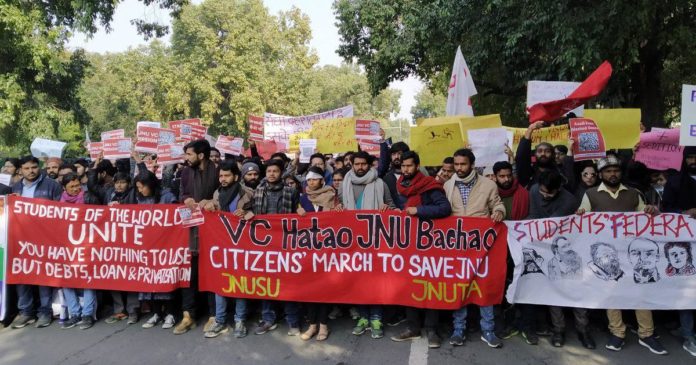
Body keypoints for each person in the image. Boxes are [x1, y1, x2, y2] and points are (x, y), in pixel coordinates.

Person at [577, 156, 666, 355]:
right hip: (608, 257)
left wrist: (651, 211)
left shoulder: (634, 194)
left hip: (633, 255)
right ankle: (617, 332)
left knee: (640, 293)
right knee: (612, 294)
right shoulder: (590, 194)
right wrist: (581, 216)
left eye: (616, 170)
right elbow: (582, 222)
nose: (612, 174)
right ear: (601, 175)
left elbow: (646, 219)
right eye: (608, 171)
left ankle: (647, 334)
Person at [443, 148, 505, 348]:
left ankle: (488, 330)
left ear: (472, 164)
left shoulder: (488, 185)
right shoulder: (447, 185)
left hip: (482, 246)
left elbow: (498, 204)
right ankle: (458, 330)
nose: (459, 168)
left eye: (463, 164)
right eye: (456, 164)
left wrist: (498, 212)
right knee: (459, 288)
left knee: (483, 286)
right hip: (457, 245)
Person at [390, 151, 451, 348]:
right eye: (403, 166)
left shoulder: (429, 186)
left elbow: (444, 209)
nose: (405, 169)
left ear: (417, 166)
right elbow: (402, 209)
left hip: (429, 243)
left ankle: (432, 330)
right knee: (409, 285)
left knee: (429, 284)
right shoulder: (400, 186)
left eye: (409, 166)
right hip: (407, 243)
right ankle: (413, 328)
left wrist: (419, 211)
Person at [528, 169, 594, 349]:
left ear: (558, 189)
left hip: (568, 250)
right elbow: (533, 215)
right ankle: (559, 329)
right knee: (553, 292)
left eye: (549, 193)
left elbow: (552, 224)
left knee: (576, 291)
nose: (544, 195)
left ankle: (583, 329)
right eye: (542, 191)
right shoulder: (534, 190)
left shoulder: (569, 201)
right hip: (545, 250)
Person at [336, 151, 396, 339]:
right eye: (357, 164)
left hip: (376, 242)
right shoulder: (344, 184)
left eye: (364, 164)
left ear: (370, 165)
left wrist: (387, 209)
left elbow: (393, 207)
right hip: (352, 243)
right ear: (352, 165)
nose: (360, 167)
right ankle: (363, 317)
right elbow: (339, 207)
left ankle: (376, 318)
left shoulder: (380, 184)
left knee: (374, 281)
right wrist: (338, 209)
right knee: (358, 281)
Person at [200, 161, 254, 338]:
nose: (223, 179)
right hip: (221, 247)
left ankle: (240, 320)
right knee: (220, 283)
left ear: (236, 177)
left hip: (242, 246)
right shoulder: (216, 194)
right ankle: (220, 320)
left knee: (240, 284)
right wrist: (207, 205)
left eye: (227, 175)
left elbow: (260, 216)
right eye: (221, 176)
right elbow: (211, 213)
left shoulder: (248, 193)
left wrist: (248, 214)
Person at [10, 156, 63, 329]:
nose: (31, 171)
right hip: (21, 240)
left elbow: (62, 212)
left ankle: (45, 312)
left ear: (39, 167)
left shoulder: (52, 186)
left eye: (34, 167)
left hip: (45, 239)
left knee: (43, 275)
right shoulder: (15, 187)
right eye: (26, 168)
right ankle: (26, 312)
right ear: (20, 170)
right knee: (22, 274)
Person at [251, 159, 301, 336]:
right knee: (266, 283)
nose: (272, 174)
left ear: (281, 173)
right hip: (264, 245)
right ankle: (268, 319)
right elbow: (252, 211)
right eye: (269, 171)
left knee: (288, 282)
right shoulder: (257, 191)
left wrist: (301, 212)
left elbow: (298, 213)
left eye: (275, 171)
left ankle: (292, 320)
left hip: (285, 243)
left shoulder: (291, 191)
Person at [177, 139, 220, 335]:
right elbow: (182, 193)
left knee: (211, 273)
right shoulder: (185, 172)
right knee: (189, 273)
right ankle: (188, 315)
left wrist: (213, 201)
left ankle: (214, 315)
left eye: (189, 154)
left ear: (201, 156)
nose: (186, 158)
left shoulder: (219, 171)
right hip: (191, 231)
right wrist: (185, 198)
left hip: (213, 232)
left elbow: (226, 195)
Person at [133, 168, 178, 331]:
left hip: (166, 245)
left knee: (166, 278)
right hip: (148, 246)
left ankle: (171, 313)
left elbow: (176, 217)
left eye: (141, 187)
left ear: (150, 184)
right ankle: (157, 312)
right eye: (137, 187)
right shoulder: (140, 199)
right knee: (150, 279)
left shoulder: (167, 196)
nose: (139, 190)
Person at [297, 166, 336, 341]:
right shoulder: (301, 199)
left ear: (322, 180)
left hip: (327, 250)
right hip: (307, 251)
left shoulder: (332, 196)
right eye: (309, 179)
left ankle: (323, 325)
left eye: (315, 179)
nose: (311, 182)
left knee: (325, 289)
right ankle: (312, 324)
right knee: (309, 289)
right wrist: (296, 213)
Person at [59, 172, 97, 330]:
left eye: (78, 185)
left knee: (88, 279)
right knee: (66, 279)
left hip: (87, 245)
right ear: (64, 188)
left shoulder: (89, 198)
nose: (76, 189)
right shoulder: (58, 203)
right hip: (66, 246)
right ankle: (74, 313)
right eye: (71, 186)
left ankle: (87, 314)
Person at [515, 121, 574, 190]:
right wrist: (530, 129)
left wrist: (570, 150)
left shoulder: (559, 173)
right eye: (540, 151)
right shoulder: (529, 173)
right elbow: (521, 157)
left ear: (553, 154)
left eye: (547, 151)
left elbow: (569, 178)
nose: (543, 154)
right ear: (535, 154)